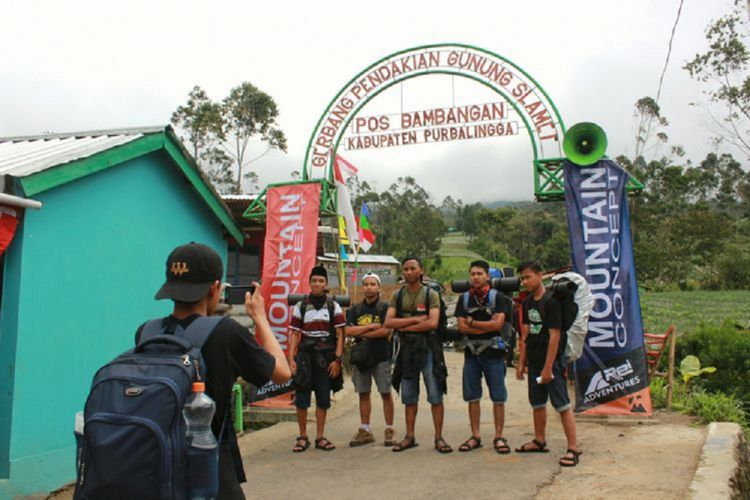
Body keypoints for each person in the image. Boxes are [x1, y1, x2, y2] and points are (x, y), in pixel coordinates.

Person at [140, 242, 291, 499]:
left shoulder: (146, 331)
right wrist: (261, 318)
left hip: (155, 464)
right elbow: (282, 373)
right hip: (207, 466)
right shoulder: (225, 332)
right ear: (214, 288)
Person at [514, 261, 582, 467]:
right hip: (534, 359)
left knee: (562, 404)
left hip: (550, 362)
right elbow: (525, 333)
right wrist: (521, 362)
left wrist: (548, 368)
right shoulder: (527, 303)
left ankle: (573, 448)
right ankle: (539, 440)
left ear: (540, 275)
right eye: (522, 278)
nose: (525, 281)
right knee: (537, 402)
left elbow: (555, 336)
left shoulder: (551, 302)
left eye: (528, 277)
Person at [384, 256, 452, 454]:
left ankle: (439, 437)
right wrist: (415, 321)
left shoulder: (431, 294)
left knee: (435, 393)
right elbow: (388, 322)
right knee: (409, 395)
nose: (408, 272)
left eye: (412, 268)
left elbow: (432, 323)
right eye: (405, 269)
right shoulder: (397, 295)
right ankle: (409, 436)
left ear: (421, 270)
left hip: (429, 348)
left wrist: (403, 323)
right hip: (407, 349)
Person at [455, 260, 512, 454]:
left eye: (480, 273)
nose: (476, 277)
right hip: (471, 355)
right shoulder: (463, 299)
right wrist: (484, 325)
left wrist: (472, 323)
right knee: (472, 397)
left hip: (494, 355)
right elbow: (461, 327)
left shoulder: (498, 298)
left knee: (498, 396)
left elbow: (498, 326)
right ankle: (475, 436)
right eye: (473, 274)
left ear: (487, 276)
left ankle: (499, 436)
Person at [287, 266, 346, 452]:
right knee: (302, 399)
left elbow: (340, 334)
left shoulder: (333, 306)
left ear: (326, 283)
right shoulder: (301, 306)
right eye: (314, 281)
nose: (317, 284)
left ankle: (320, 437)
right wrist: (291, 359)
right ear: (309, 283)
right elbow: (295, 334)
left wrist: (337, 360)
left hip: (326, 357)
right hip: (305, 357)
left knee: (323, 398)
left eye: (321, 281)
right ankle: (303, 436)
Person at [344, 272, 396, 447]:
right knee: (363, 393)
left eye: (373, 284)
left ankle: (389, 429)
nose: (369, 287)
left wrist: (362, 331)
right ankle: (365, 429)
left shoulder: (386, 308)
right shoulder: (355, 310)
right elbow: (347, 331)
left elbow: (386, 331)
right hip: (362, 358)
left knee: (385, 392)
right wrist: (372, 326)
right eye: (366, 284)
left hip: (381, 356)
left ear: (379, 287)